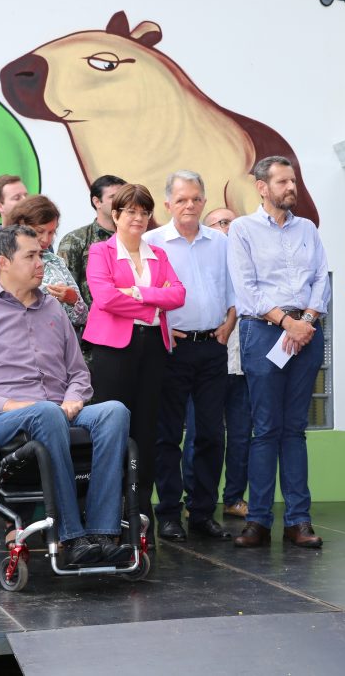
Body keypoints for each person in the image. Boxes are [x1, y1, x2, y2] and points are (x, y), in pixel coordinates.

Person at [0, 225, 132, 565]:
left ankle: (103, 533)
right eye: (30, 256)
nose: (40, 264)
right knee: (45, 411)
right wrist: (10, 404)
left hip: (59, 410)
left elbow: (79, 373)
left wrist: (74, 398)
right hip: (4, 420)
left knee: (115, 411)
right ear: (4, 262)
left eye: (41, 255)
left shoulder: (54, 309)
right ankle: (71, 536)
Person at [228, 156, 330, 549]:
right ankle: (257, 521)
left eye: (294, 181)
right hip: (263, 332)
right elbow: (246, 289)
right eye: (283, 181)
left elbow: (321, 279)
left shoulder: (308, 229)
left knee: (295, 430)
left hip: (306, 333)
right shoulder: (242, 229)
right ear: (262, 187)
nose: (292, 187)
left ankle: (298, 521)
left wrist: (306, 321)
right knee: (266, 429)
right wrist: (289, 323)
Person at [83, 183, 185, 523]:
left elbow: (179, 295)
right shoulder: (101, 251)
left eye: (144, 212)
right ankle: (106, 512)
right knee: (111, 428)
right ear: (115, 215)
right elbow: (105, 298)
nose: (138, 218)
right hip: (113, 350)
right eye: (131, 211)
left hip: (153, 347)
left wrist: (138, 292)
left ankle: (140, 511)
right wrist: (154, 302)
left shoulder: (159, 254)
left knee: (146, 429)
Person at [144, 171, 235, 542]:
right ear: (168, 203)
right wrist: (162, 326)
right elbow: (143, 293)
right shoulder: (151, 242)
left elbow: (234, 288)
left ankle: (202, 513)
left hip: (213, 345)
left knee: (211, 434)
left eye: (196, 199)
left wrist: (230, 322)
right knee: (167, 435)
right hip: (172, 349)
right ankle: (168, 514)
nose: (189, 205)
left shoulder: (220, 242)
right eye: (181, 199)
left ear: (204, 201)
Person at [185, 207, 250, 520]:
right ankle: (194, 498)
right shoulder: (201, 265)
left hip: (243, 366)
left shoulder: (248, 264)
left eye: (234, 223)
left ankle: (234, 497)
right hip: (206, 364)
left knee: (240, 436)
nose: (230, 229)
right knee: (201, 435)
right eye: (223, 223)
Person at [7, 195, 89, 327]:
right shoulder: (5, 263)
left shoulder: (55, 262)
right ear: (21, 226)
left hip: (59, 337)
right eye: (39, 231)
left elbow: (83, 318)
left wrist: (73, 300)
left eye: (51, 232)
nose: (46, 239)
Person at [57, 174, 126, 310]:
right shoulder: (76, 239)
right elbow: (66, 289)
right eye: (113, 197)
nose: (121, 202)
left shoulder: (135, 237)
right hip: (93, 319)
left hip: (134, 317)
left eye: (124, 197)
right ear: (97, 202)